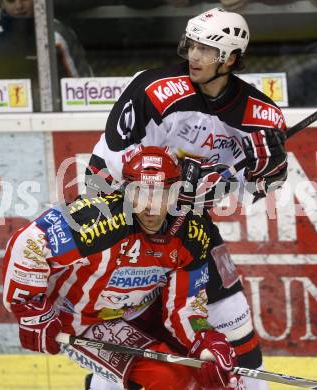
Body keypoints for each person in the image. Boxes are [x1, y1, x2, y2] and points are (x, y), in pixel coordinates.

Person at [86, 7, 288, 390]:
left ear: (229, 59)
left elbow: (259, 191)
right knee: (126, 357)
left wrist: (267, 172)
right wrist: (182, 186)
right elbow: (99, 177)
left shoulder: (261, 116)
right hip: (130, 231)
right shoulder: (153, 91)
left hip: (193, 232)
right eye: (191, 44)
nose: (193, 55)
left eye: (206, 49)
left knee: (241, 351)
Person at [3, 146, 244, 390]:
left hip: (118, 318)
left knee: (191, 379)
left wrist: (206, 340)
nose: (149, 206)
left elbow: (185, 306)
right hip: (70, 321)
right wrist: (30, 307)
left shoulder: (193, 233)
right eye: (138, 192)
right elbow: (29, 241)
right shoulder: (102, 219)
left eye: (160, 194)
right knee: (168, 379)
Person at [0, 0, 93, 109]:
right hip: (6, 120)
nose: (19, 6)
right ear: (2, 4)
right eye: (11, 1)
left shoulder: (59, 36)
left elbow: (85, 89)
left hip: (57, 118)